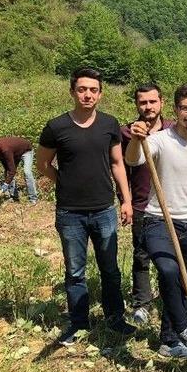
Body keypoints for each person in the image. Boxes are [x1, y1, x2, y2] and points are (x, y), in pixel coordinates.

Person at [36, 67, 136, 346]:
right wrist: (64, 181)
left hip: (104, 209)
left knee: (110, 269)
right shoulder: (56, 127)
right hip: (70, 212)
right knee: (75, 271)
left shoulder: (109, 124)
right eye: (82, 89)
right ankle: (78, 323)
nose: (88, 95)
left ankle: (115, 318)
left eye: (93, 90)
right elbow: (43, 164)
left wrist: (126, 200)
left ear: (100, 94)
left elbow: (117, 163)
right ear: (72, 92)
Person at [124, 83, 187, 359]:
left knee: (183, 283)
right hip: (158, 220)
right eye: (185, 108)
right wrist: (136, 139)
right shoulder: (160, 140)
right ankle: (184, 327)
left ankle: (169, 341)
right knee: (168, 271)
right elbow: (133, 159)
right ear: (175, 109)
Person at [120, 83, 174, 326]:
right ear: (136, 105)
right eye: (143, 102)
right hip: (142, 204)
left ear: (162, 102)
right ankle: (142, 303)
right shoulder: (127, 133)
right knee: (141, 254)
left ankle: (170, 299)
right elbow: (121, 170)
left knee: (170, 256)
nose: (148, 106)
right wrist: (125, 201)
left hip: (172, 204)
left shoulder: (174, 131)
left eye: (153, 101)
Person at [0, 137, 38, 204]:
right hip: (14, 153)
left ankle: (33, 199)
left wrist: (6, 184)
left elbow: (12, 171)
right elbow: (7, 168)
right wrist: (7, 181)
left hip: (26, 150)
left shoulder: (5, 150)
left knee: (27, 172)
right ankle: (14, 197)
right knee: (7, 173)